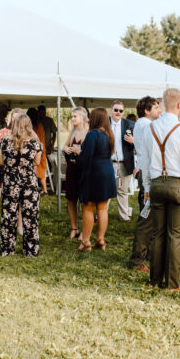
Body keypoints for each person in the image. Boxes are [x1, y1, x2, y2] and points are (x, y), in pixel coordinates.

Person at [140, 88, 180, 291]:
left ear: (164, 104)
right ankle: (172, 283)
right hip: (178, 186)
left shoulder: (150, 128)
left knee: (158, 234)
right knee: (175, 234)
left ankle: (154, 280)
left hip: (156, 184)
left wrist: (147, 187)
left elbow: (145, 161)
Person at [0, 114, 43, 257]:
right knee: (30, 216)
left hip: (11, 181)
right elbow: (36, 162)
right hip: (29, 182)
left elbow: (1, 162)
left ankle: (7, 249)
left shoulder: (5, 140)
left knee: (8, 215)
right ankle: (30, 250)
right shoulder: (36, 142)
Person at [127, 95, 161, 273]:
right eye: (156, 107)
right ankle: (138, 258)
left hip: (145, 170)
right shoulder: (146, 124)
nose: (159, 110)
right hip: (148, 173)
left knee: (149, 216)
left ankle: (145, 253)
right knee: (146, 218)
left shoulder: (143, 124)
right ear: (146, 110)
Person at [77, 107, 117, 251]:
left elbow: (86, 157)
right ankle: (100, 239)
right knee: (102, 208)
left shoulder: (93, 134)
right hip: (107, 172)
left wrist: (77, 156)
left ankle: (86, 242)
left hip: (94, 173)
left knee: (88, 208)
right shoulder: (109, 134)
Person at [62, 107, 89, 240]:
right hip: (72, 168)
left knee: (84, 201)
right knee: (71, 198)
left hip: (83, 169)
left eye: (75, 116)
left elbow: (90, 153)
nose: (72, 119)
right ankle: (74, 227)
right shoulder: (72, 131)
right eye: (72, 116)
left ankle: (85, 229)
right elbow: (65, 145)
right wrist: (66, 148)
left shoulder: (89, 132)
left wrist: (80, 152)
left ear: (83, 118)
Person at [110, 100, 136, 221]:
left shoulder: (130, 124)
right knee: (106, 190)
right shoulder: (105, 124)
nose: (118, 113)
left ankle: (124, 216)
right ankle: (100, 215)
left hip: (125, 163)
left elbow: (139, 144)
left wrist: (133, 141)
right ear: (111, 110)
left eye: (121, 111)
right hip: (109, 163)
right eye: (116, 110)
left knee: (123, 190)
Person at [27, 108, 48, 194]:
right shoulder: (39, 125)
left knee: (36, 171)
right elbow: (42, 139)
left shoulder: (32, 127)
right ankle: (44, 190)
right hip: (40, 150)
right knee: (41, 172)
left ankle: (43, 190)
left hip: (35, 151)